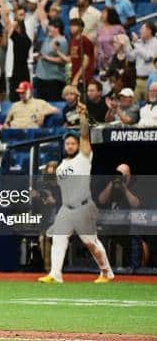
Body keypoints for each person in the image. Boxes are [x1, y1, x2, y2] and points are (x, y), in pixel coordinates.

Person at [38, 102, 115, 284]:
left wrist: (82, 115)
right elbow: (55, 185)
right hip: (66, 208)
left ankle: (107, 272)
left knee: (91, 243)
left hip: (83, 206)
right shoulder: (61, 165)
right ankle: (55, 274)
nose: (70, 146)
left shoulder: (84, 156)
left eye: (73, 143)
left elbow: (85, 135)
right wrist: (47, 176)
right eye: (68, 143)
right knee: (58, 239)